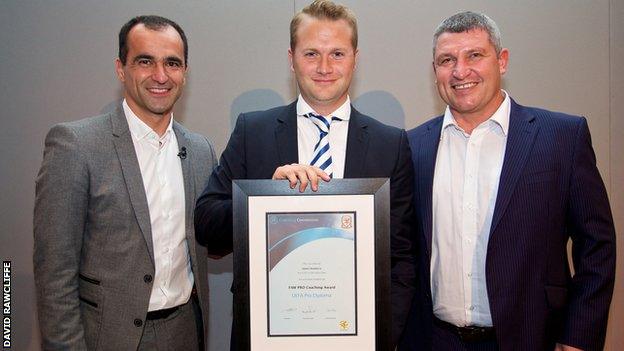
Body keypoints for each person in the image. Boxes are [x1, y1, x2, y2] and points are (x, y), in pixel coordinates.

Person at [195, 0, 415, 347]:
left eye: (337, 54)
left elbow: (402, 259)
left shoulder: (391, 144)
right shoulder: (253, 132)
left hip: (357, 338)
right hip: (266, 335)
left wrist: (382, 336)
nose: (324, 67)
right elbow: (206, 224)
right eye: (311, 53)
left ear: (355, 58)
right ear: (291, 58)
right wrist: (263, 196)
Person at [400, 11, 616, 351]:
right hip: (432, 341)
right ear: (435, 71)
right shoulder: (411, 148)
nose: (460, 71)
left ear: (502, 61)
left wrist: (579, 337)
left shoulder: (562, 138)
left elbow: (597, 246)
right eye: (447, 60)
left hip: (532, 338)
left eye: (474, 55)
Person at [33, 15, 216, 350]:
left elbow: (213, 235)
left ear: (185, 73)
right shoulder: (76, 145)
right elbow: (54, 274)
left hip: (185, 333)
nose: (160, 76)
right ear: (121, 68)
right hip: (107, 337)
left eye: (172, 63)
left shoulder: (202, 151)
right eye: (145, 61)